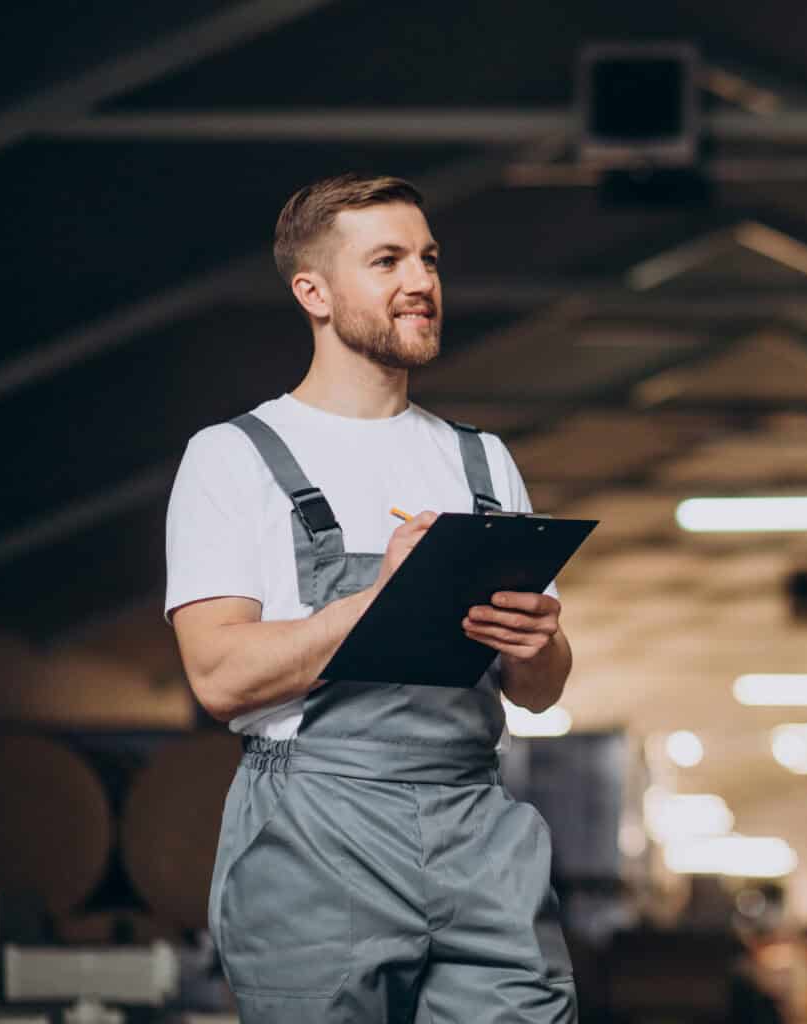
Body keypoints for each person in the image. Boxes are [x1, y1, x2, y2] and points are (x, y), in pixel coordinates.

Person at [165, 173, 576, 1022]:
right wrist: (385, 598)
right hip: (315, 830)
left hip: (474, 817)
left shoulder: (483, 462)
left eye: (427, 259)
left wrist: (540, 644)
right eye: (386, 260)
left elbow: (538, 692)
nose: (420, 282)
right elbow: (218, 677)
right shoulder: (234, 456)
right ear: (311, 291)